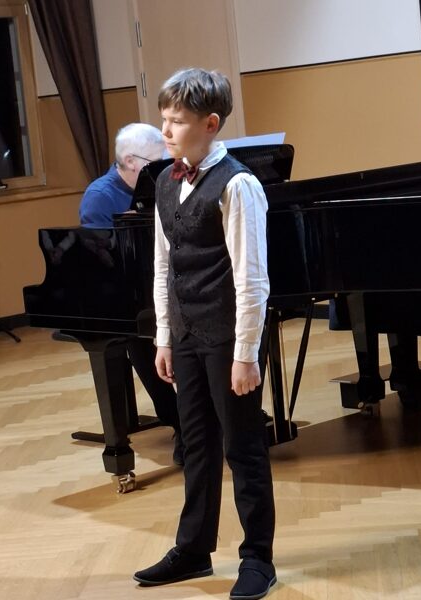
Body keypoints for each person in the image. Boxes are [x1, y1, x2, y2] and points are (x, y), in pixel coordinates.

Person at [133, 69, 276, 599]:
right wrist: (164, 337)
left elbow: (252, 278)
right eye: (164, 119)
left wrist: (246, 353)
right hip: (187, 334)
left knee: (242, 448)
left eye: (177, 121)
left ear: (210, 124)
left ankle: (258, 558)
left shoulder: (238, 185)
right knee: (195, 445)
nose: (165, 130)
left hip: (227, 336)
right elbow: (163, 266)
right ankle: (194, 549)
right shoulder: (165, 182)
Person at [77, 123, 184, 465]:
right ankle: (181, 421)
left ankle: (228, 410)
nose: (163, 169)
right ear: (129, 161)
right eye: (155, 162)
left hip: (171, 280)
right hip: (128, 294)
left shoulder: (164, 182)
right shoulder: (100, 196)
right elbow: (104, 261)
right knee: (144, 333)